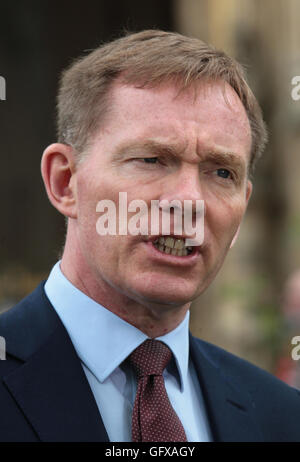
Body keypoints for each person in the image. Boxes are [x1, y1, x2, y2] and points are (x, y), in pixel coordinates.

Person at [0, 29, 300, 443]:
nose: (190, 201)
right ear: (65, 182)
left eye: (221, 172)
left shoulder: (282, 418)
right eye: (152, 159)